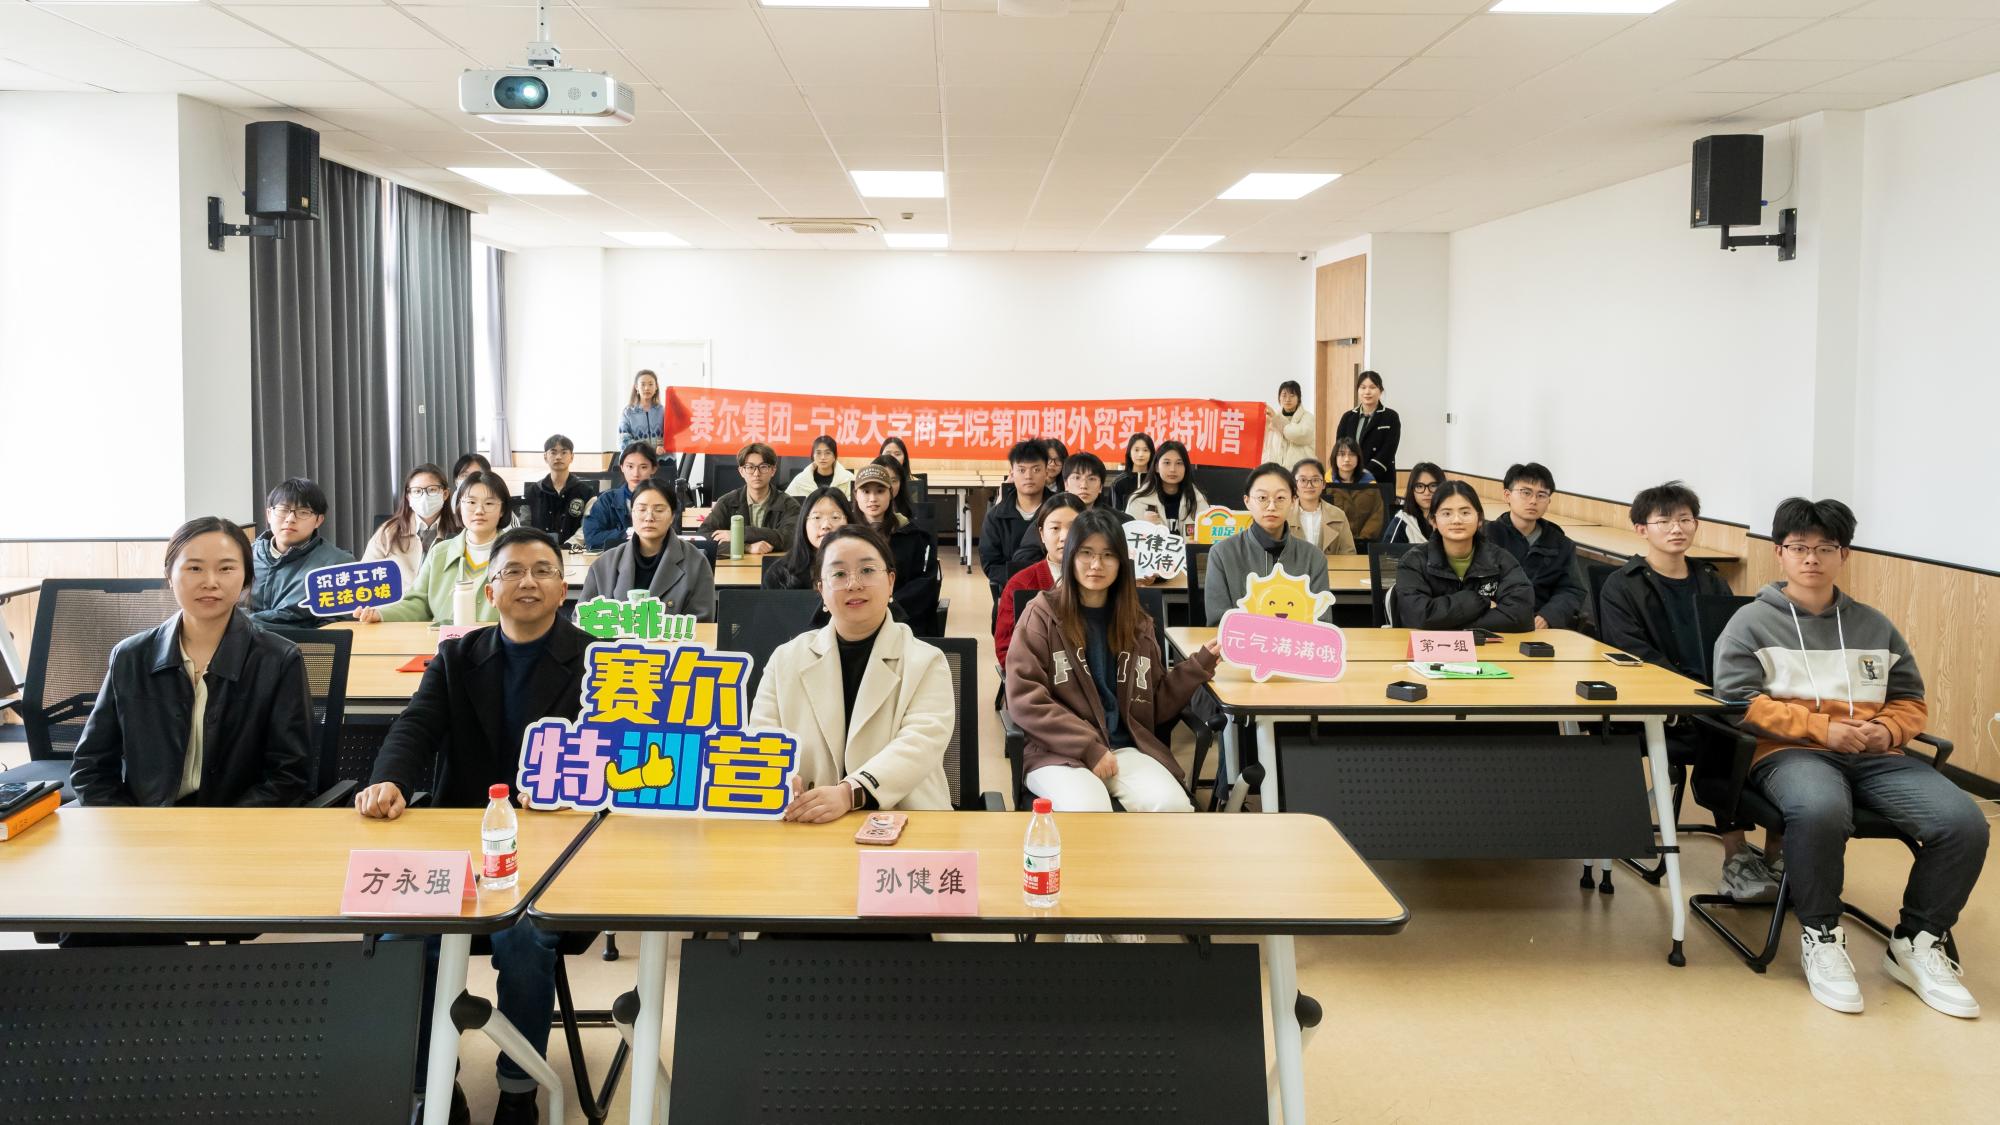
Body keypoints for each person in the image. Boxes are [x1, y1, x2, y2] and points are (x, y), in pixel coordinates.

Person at [1713, 498, 1986, 1019]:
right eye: (1799, 547)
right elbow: (1737, 701)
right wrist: (1822, 729)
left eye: (1825, 548)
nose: (1811, 558)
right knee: (1819, 810)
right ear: (1779, 553)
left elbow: (1909, 701)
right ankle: (1820, 933)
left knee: (1963, 822)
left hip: (1874, 754)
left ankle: (1918, 941)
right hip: (1790, 752)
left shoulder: (1873, 625)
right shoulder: (1750, 622)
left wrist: (1886, 730)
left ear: (1845, 555)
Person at [357, 527, 586, 1124]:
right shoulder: (458, 656)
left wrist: (571, 795)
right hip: (463, 846)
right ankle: (431, 1085)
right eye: (512, 571)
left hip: (557, 849)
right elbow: (415, 724)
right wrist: (391, 780)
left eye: (543, 570)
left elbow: (621, 754)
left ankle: (519, 1088)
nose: (528, 582)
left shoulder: (598, 662)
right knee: (405, 937)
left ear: (563, 588)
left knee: (525, 938)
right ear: (490, 589)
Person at [1597, 481, 1777, 900]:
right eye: (1664, 521)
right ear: (1642, 529)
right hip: (1662, 705)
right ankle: (1736, 855)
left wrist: (1729, 692)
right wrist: (1695, 695)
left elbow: (1737, 645)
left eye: (1685, 519)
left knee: (1779, 732)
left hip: (1719, 698)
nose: (1676, 528)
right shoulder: (1623, 585)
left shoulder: (1711, 581)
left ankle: (1779, 851)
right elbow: (1631, 655)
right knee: (1729, 737)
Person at [71, 516, 315, 808]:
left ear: (246, 577)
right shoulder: (130, 657)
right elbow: (91, 768)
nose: (210, 582)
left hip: (239, 825)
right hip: (148, 824)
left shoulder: (278, 660)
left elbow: (289, 776)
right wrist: (131, 825)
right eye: (195, 568)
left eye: (226, 568)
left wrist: (221, 828)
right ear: (169, 575)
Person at [1007, 508, 1220, 813]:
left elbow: (1153, 704)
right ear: (1070, 557)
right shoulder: (1041, 615)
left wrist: (1197, 667)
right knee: (1089, 809)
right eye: (1086, 553)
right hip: (1056, 751)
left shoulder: (1137, 623)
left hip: (1122, 747)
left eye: (1108, 555)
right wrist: (1088, 747)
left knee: (1172, 806)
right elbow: (1025, 700)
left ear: (1122, 562)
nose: (1096, 565)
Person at [749, 525, 954, 817]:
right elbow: (762, 735)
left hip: (904, 817)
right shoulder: (786, 658)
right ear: (821, 589)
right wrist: (778, 776)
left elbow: (919, 744)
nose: (854, 584)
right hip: (805, 817)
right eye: (839, 574)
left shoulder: (926, 661)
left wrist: (850, 793)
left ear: (891, 582)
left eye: (867, 571)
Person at [358, 471, 514, 625]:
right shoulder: (439, 553)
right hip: (444, 640)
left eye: (489, 504)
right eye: (471, 503)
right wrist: (380, 614)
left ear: (502, 510)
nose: (479, 511)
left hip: (497, 639)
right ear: (460, 506)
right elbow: (418, 604)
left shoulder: (516, 554)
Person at [1391, 481, 1533, 631]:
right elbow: (1419, 617)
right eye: (1447, 513)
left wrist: (1445, 623)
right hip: (1433, 646)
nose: (1457, 520)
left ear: (1479, 519)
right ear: (1433, 520)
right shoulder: (1413, 562)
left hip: (1485, 645)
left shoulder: (1501, 560)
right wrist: (1480, 601)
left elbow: (1520, 616)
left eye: (1465, 513)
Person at [1204, 463, 1333, 625]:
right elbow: (1218, 622)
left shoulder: (1313, 557)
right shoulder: (1222, 554)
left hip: (1295, 640)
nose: (1271, 507)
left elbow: (1322, 622)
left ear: (1293, 501)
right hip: (1243, 640)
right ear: (1247, 501)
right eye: (1262, 498)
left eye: (1280, 498)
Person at [579, 479, 715, 619]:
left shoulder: (696, 563)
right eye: (642, 509)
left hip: (671, 635)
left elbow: (702, 623)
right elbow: (582, 618)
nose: (649, 517)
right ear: (632, 514)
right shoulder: (603, 564)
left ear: (672, 516)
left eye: (659, 510)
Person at [1484, 462, 1588, 631]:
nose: (1533, 501)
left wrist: (1548, 616)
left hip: (1538, 626)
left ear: (1549, 501)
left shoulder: (1561, 543)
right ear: (1507, 495)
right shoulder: (1485, 536)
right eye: (1526, 493)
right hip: (1491, 622)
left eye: (1541, 495)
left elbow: (1572, 589)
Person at [249, 477, 354, 628]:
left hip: (301, 643)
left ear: (319, 520)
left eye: (303, 512)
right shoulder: (244, 556)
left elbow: (336, 626)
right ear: (269, 515)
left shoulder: (337, 564)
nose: (290, 519)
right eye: (283, 510)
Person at [995, 494, 1085, 669]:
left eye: (1074, 528)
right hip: (1041, 678)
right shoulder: (1020, 584)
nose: (1064, 536)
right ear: (1042, 534)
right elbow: (1006, 650)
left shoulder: (1102, 579)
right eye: (1055, 528)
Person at [851, 462, 940, 634]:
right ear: (856, 495)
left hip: (902, 621)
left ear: (891, 494)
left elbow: (923, 585)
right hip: (855, 620)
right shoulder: (844, 538)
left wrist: (885, 608)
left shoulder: (914, 536)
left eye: (880, 491)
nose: (872, 498)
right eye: (866, 491)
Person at [363, 463, 459, 587]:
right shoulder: (388, 531)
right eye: (417, 491)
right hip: (398, 599)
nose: (424, 497)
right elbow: (365, 575)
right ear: (408, 497)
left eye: (432, 490)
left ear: (445, 494)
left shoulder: (459, 532)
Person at [979, 439, 1052, 604]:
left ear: (1047, 472)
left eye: (1036, 469)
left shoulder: (1059, 511)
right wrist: (1022, 581)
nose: (1028, 476)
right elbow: (991, 564)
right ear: (1012, 473)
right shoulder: (996, 516)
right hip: (1011, 593)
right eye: (1022, 470)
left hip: (1054, 593)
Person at [698, 442, 800, 556]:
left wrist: (739, 534)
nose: (756, 473)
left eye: (763, 467)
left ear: (773, 470)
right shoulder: (727, 502)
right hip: (735, 565)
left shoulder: (788, 504)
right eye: (750, 467)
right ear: (741, 471)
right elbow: (703, 538)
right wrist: (746, 547)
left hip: (775, 564)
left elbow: (791, 539)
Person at [763, 487, 856, 590]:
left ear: (849, 523)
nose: (826, 525)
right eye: (817, 517)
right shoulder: (779, 574)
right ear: (804, 523)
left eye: (835, 517)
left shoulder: (864, 569)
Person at [1334, 369, 1399, 514]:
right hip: (1349, 480)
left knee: (1379, 522)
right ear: (1358, 390)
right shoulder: (1348, 417)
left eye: (1372, 387)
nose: (1367, 392)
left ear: (1380, 391)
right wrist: (1350, 473)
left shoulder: (1391, 417)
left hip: (1380, 479)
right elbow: (1339, 448)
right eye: (1363, 387)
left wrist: (1364, 474)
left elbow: (1388, 450)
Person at [1123, 440, 1208, 542]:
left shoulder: (1198, 500)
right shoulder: (1139, 501)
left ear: (1186, 468)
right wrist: (1145, 528)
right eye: (1167, 463)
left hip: (1188, 553)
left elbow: (1209, 539)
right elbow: (1128, 541)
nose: (1172, 469)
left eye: (1179, 463)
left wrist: (1198, 546)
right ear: (1156, 467)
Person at [581, 442, 660, 550]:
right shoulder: (606, 500)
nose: (636, 473)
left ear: (653, 468)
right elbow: (591, 538)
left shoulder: (664, 500)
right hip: (615, 558)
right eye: (630, 466)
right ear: (622, 467)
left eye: (643, 467)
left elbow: (673, 535)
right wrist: (627, 533)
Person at [522, 434, 593, 545]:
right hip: (538, 549)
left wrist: (568, 545)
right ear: (545, 457)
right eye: (553, 452)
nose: (558, 457)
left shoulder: (586, 492)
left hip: (572, 550)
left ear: (572, 457)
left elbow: (588, 526)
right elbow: (524, 526)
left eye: (564, 452)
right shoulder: (532, 492)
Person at [1286, 456, 1356, 560]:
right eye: (1303, 480)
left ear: (1323, 484)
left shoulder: (1338, 515)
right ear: (1294, 484)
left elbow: (1349, 554)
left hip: (1331, 569)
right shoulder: (1284, 515)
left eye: (1315, 480)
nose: (1309, 485)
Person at [1324, 437, 1384, 542]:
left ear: (1358, 458)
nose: (1347, 459)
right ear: (1335, 458)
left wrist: (1363, 539)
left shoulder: (1370, 484)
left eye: (1352, 454)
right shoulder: (1325, 485)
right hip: (1334, 543)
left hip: (1365, 543)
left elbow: (1377, 515)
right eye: (1342, 454)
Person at [1385, 462, 1445, 546]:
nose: (1427, 493)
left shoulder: (1452, 520)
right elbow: (1387, 553)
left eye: (1433, 486)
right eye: (1419, 486)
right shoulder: (1403, 521)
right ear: (1412, 490)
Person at [1263, 378, 1316, 468]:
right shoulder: (1273, 419)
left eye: (1292, 395)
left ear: (1299, 398)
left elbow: (1301, 435)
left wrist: (1277, 421)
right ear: (1279, 398)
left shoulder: (1308, 417)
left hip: (1300, 471)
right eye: (1284, 395)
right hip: (1277, 471)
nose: (1288, 399)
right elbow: (1268, 448)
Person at [786, 434, 855, 499]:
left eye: (827, 453)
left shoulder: (848, 479)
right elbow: (787, 503)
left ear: (834, 456)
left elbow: (854, 505)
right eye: (818, 453)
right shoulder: (800, 480)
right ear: (813, 456)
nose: (823, 457)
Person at [618, 369, 665, 452]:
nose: (647, 388)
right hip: (639, 459)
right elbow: (623, 442)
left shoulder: (663, 411)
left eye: (651, 384)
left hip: (664, 458)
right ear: (636, 387)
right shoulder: (628, 413)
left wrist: (661, 445)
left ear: (656, 387)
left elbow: (674, 433)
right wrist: (650, 448)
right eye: (643, 384)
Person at [1111, 432, 1154, 509]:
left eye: (1145, 450)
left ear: (1151, 454)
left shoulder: (1156, 481)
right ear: (1129, 453)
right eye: (1136, 450)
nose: (1141, 454)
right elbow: (1113, 512)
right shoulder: (1118, 482)